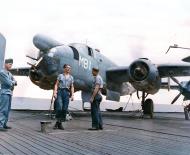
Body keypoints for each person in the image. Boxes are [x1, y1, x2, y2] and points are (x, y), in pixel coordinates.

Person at [53, 64, 74, 130]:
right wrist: (55, 92)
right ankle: (59, 123)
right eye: (67, 68)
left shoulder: (71, 77)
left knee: (64, 109)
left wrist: (72, 95)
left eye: (69, 68)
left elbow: (72, 86)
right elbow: (56, 84)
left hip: (66, 93)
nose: (68, 69)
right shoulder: (60, 76)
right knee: (59, 107)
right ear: (64, 68)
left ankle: (58, 123)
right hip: (60, 92)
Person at [0, 59, 17, 131]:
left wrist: (12, 82)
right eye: (9, 64)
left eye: (11, 64)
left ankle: (4, 124)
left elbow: (15, 82)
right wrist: (12, 82)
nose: (11, 65)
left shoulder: (9, 74)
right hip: (4, 93)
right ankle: (0, 125)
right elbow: (8, 83)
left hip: (9, 93)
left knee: (7, 109)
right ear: (5, 64)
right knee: (3, 109)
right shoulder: (2, 72)